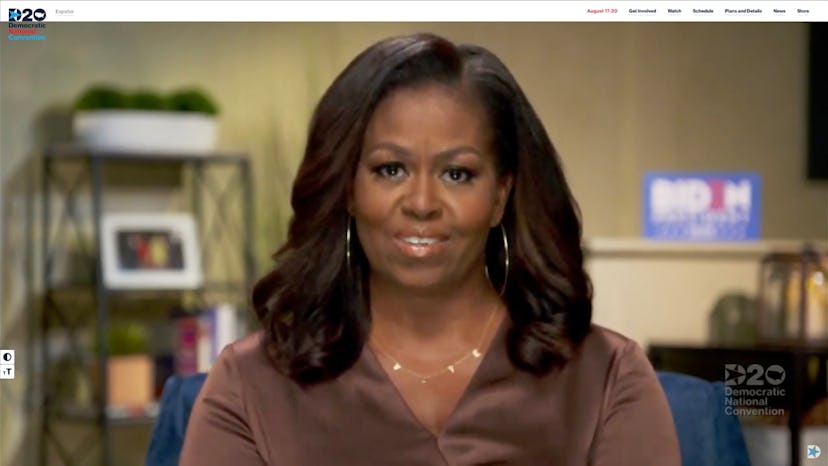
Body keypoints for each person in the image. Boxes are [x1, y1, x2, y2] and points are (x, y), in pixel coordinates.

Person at [180, 32, 680, 465]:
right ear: (348, 191)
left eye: (457, 174)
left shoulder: (605, 378)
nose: (421, 203)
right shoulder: (252, 386)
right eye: (390, 169)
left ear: (500, 195)